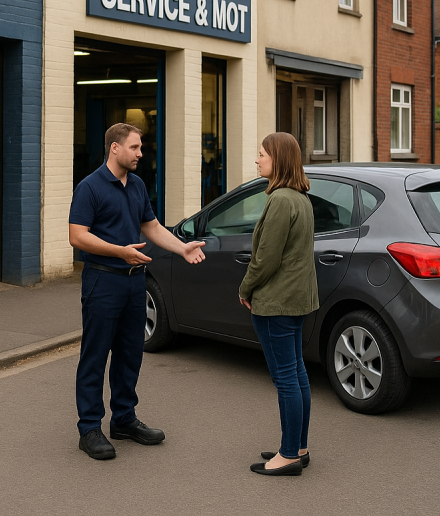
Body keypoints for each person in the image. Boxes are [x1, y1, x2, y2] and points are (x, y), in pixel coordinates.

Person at [69, 123, 207, 460]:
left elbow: (152, 227)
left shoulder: (139, 185)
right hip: (104, 280)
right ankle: (89, 428)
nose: (140, 154)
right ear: (114, 148)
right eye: (135, 148)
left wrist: (182, 248)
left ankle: (124, 419)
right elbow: (77, 235)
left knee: (131, 353)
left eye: (141, 148)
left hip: (135, 282)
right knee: (95, 355)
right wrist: (119, 251)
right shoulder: (90, 187)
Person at [238, 132, 318, 477]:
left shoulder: (281, 200)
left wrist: (245, 288)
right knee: (297, 373)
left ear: (278, 160)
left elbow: (265, 259)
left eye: (261, 155)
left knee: (287, 378)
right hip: (296, 299)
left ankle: (288, 456)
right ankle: (297, 447)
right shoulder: (300, 198)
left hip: (277, 301)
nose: (257, 160)